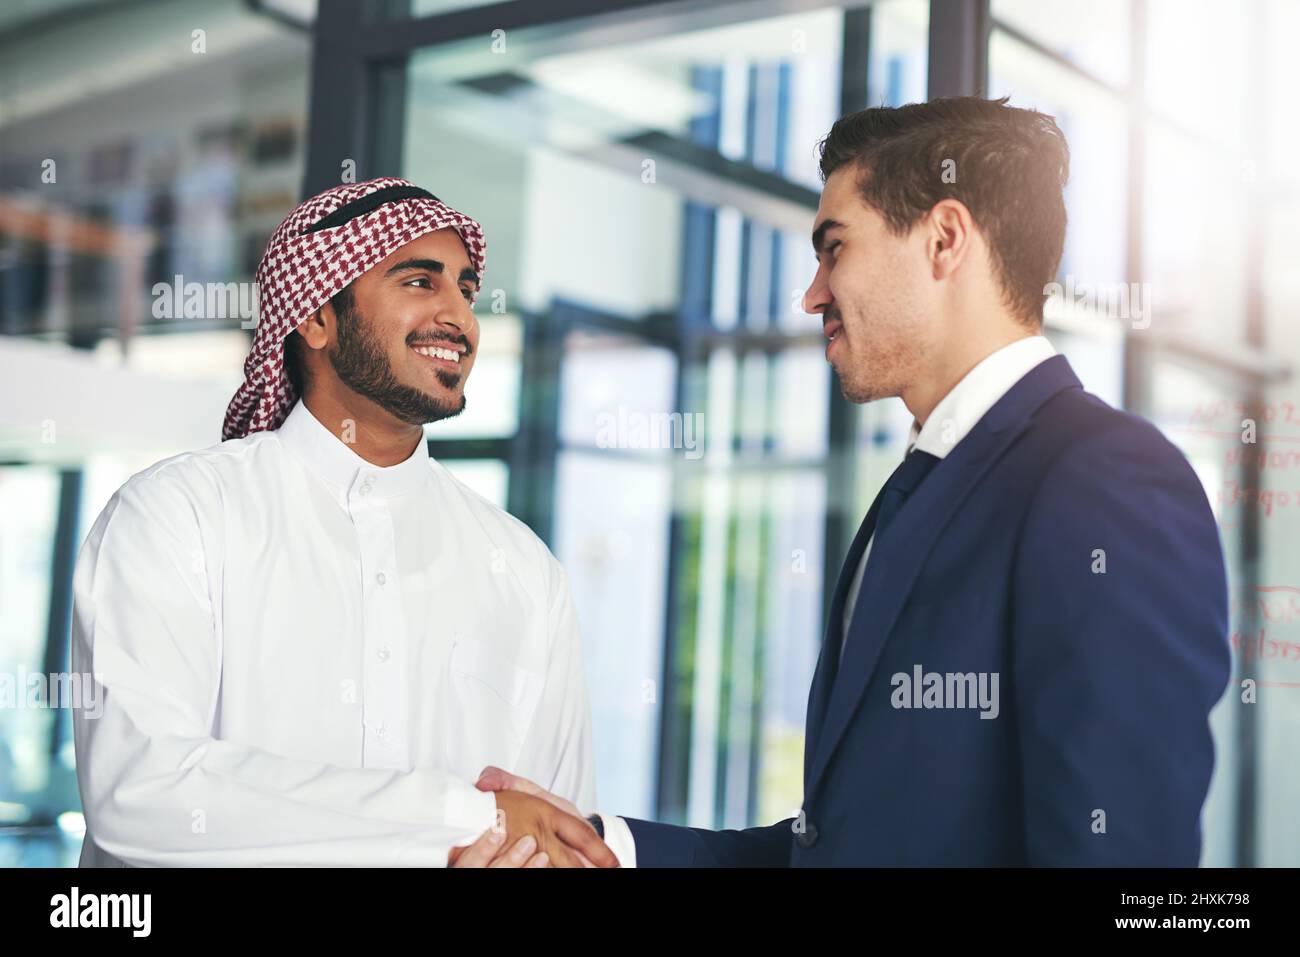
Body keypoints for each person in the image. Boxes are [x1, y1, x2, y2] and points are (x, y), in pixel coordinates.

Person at [478, 97, 1232, 866]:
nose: (812, 294)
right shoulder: (917, 486)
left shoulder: (1105, 477)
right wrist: (605, 847)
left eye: (834, 248)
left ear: (944, 239)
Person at [71, 177, 617, 868]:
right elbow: (141, 793)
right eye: (420, 281)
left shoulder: (525, 570)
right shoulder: (178, 517)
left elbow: (559, 832)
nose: (461, 316)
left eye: (467, 288)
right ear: (318, 317)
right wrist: (464, 815)